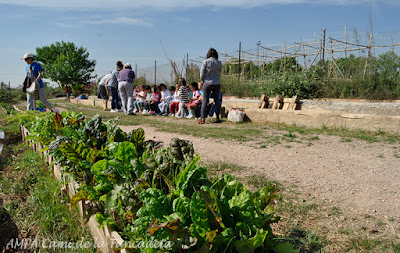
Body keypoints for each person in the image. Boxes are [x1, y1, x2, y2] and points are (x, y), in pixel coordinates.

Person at [199, 48, 222, 124]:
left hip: (207, 83)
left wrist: (202, 81)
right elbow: (219, 73)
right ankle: (218, 117)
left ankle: (202, 118)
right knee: (217, 101)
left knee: (205, 100)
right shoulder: (219, 63)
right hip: (217, 83)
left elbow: (202, 74)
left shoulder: (205, 62)